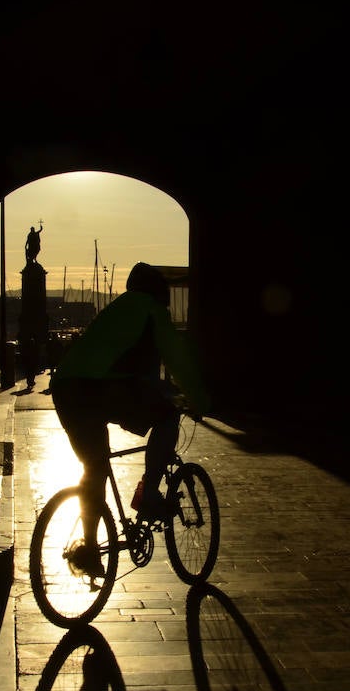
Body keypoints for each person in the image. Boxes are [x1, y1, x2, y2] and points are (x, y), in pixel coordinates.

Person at [50, 262, 210, 578]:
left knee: (94, 469)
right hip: (104, 388)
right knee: (166, 415)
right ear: (159, 292)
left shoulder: (116, 309)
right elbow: (177, 358)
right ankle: (148, 492)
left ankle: (91, 549)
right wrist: (200, 400)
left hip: (67, 389)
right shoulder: (152, 310)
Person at [18, 240, 48, 388]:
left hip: (30, 313)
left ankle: (30, 379)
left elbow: (38, 234)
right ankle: (31, 379)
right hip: (37, 313)